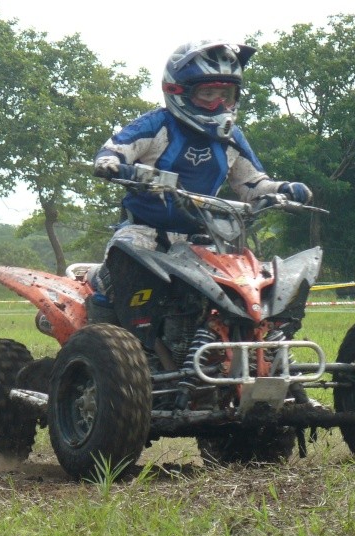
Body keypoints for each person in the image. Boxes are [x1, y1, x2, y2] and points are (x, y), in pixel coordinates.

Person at [90, 40, 312, 341]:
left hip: (203, 238)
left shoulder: (232, 138)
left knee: (245, 284)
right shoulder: (157, 124)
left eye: (226, 95)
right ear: (178, 91)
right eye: (208, 94)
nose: (218, 104)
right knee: (116, 271)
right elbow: (115, 151)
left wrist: (284, 189)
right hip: (144, 231)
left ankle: (247, 346)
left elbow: (252, 184)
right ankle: (94, 344)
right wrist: (111, 164)